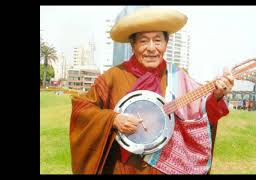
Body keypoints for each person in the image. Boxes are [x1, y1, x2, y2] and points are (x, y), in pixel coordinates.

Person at [69, 7, 234, 174]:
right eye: (143, 41)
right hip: (123, 168)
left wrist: (217, 96)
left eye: (157, 40)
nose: (151, 48)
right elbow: (82, 109)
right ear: (132, 44)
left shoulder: (178, 77)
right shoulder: (114, 77)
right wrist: (113, 119)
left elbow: (200, 114)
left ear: (166, 43)